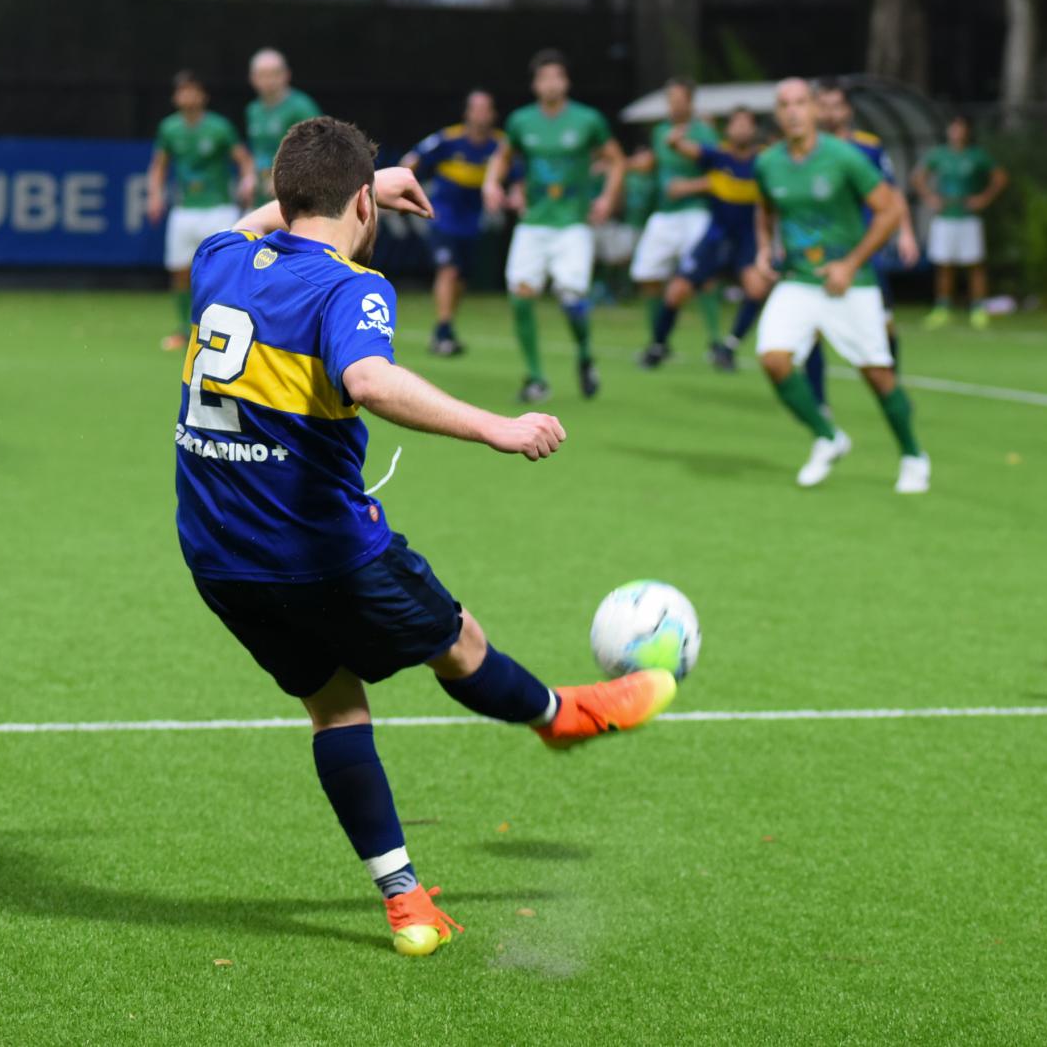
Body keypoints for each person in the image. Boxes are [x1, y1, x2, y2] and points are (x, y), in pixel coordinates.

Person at [175, 115, 675, 957]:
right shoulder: (352, 288)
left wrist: (373, 176)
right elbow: (369, 378)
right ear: (366, 204)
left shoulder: (217, 261)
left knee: (334, 707)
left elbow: (262, 218)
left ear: (282, 191)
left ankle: (405, 900)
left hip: (220, 556)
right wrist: (497, 428)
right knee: (459, 640)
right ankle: (559, 714)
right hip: (322, 550)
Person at [755, 78, 929, 493]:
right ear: (777, 114)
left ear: (815, 109)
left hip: (851, 283)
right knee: (773, 359)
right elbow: (764, 209)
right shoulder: (768, 163)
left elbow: (889, 211)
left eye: (800, 102)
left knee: (877, 375)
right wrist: (764, 249)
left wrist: (850, 264)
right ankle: (828, 437)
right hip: (799, 279)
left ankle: (912, 455)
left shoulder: (845, 157)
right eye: (784, 104)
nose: (793, 110)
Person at [488, 50, 623, 404]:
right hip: (533, 222)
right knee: (519, 296)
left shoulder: (587, 120)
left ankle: (584, 354)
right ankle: (536, 378)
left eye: (557, 77)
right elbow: (502, 156)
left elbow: (616, 160)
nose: (551, 84)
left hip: (572, 225)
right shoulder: (521, 121)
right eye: (544, 77)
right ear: (535, 84)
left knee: (571, 299)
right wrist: (492, 184)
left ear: (566, 82)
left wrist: (608, 197)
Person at [809, 78, 918, 409]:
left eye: (836, 106)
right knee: (811, 323)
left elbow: (892, 192)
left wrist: (906, 231)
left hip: (864, 248)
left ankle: (891, 387)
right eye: (824, 106)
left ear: (847, 110)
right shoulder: (807, 149)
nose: (830, 113)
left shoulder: (868, 147)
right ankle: (818, 400)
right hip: (819, 247)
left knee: (884, 322)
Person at [641, 105, 767, 372]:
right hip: (716, 236)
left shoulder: (764, 161)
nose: (742, 129)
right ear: (728, 129)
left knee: (756, 288)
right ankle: (658, 345)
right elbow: (682, 148)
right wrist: (676, 138)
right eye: (736, 123)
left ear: (754, 129)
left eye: (747, 124)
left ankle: (729, 347)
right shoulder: (718, 155)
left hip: (747, 238)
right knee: (676, 291)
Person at [147, 70, 254, 351]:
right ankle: (184, 329)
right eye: (183, 91)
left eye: (193, 90)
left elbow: (243, 159)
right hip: (185, 210)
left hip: (218, 208)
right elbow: (159, 165)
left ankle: (225, 329)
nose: (188, 96)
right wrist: (155, 195)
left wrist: (247, 179)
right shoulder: (169, 128)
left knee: (224, 271)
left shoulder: (219, 127)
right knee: (180, 270)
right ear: (175, 96)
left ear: (203, 96)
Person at [400, 90, 506, 357]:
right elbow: (412, 160)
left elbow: (516, 174)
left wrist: (515, 193)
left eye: (486, 109)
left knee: (461, 279)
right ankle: (444, 330)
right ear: (467, 113)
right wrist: (402, 188)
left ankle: (444, 328)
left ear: (493, 114)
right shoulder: (448, 140)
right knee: (447, 270)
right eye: (476, 109)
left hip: (472, 224)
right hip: (442, 218)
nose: (481, 115)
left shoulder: (501, 145)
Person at [628, 79, 725, 367]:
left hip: (695, 211)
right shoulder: (660, 132)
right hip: (665, 213)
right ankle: (658, 341)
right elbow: (657, 164)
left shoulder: (704, 131)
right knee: (647, 274)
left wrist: (689, 186)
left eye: (678, 98)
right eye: (670, 98)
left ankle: (716, 342)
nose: (673, 104)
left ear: (690, 102)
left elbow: (723, 174)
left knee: (703, 277)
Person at [914, 114, 1008, 328]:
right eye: (953, 128)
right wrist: (930, 197)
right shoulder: (939, 155)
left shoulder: (976, 156)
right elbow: (918, 177)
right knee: (944, 264)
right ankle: (942, 307)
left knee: (974, 264)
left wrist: (983, 198)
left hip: (968, 217)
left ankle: (978, 308)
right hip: (945, 216)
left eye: (961, 129)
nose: (957, 133)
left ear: (967, 132)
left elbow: (1000, 177)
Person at [243, 49, 323, 203]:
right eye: (263, 74)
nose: (269, 80)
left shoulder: (302, 107)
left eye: (274, 73)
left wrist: (285, 178)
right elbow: (256, 150)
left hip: (295, 195)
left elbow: (318, 151)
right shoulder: (253, 110)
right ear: (253, 78)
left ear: (286, 74)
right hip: (262, 194)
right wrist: (249, 176)